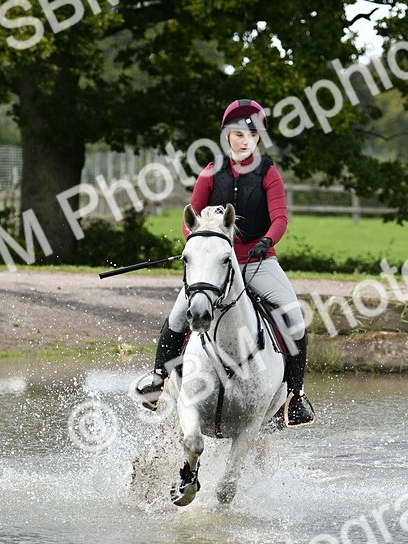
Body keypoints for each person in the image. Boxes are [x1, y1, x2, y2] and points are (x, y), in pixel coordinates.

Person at [134, 98, 316, 427]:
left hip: (257, 261)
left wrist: (266, 241)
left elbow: (280, 219)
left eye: (251, 135)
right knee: (178, 314)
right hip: (216, 266)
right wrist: (198, 243)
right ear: (227, 136)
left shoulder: (268, 173)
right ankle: (159, 379)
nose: (244, 141)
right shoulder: (211, 171)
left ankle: (295, 395)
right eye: (237, 134)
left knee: (293, 315)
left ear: (258, 138)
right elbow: (190, 217)